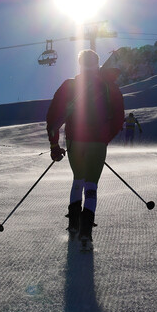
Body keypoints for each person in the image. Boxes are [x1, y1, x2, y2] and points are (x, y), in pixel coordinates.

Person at [46, 50, 125, 247]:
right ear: (97, 64)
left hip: (75, 141)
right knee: (92, 185)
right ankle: (86, 233)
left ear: (80, 64)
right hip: (97, 142)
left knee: (78, 180)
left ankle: (73, 225)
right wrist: (104, 139)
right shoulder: (110, 87)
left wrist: (55, 145)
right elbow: (118, 118)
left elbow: (52, 118)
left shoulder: (69, 85)